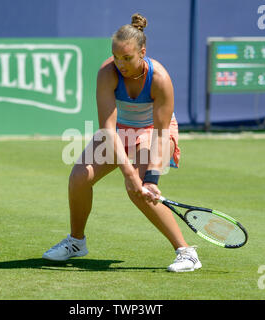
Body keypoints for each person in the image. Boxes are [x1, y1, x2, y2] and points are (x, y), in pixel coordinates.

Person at [42, 13, 202, 272]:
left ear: (142, 52)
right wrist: (127, 171)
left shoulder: (160, 78)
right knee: (79, 177)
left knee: (137, 191)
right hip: (119, 130)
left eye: (127, 58)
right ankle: (76, 242)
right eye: (116, 57)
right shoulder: (108, 73)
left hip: (154, 132)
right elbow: (107, 128)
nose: (121, 64)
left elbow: (161, 133)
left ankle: (186, 252)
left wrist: (151, 179)